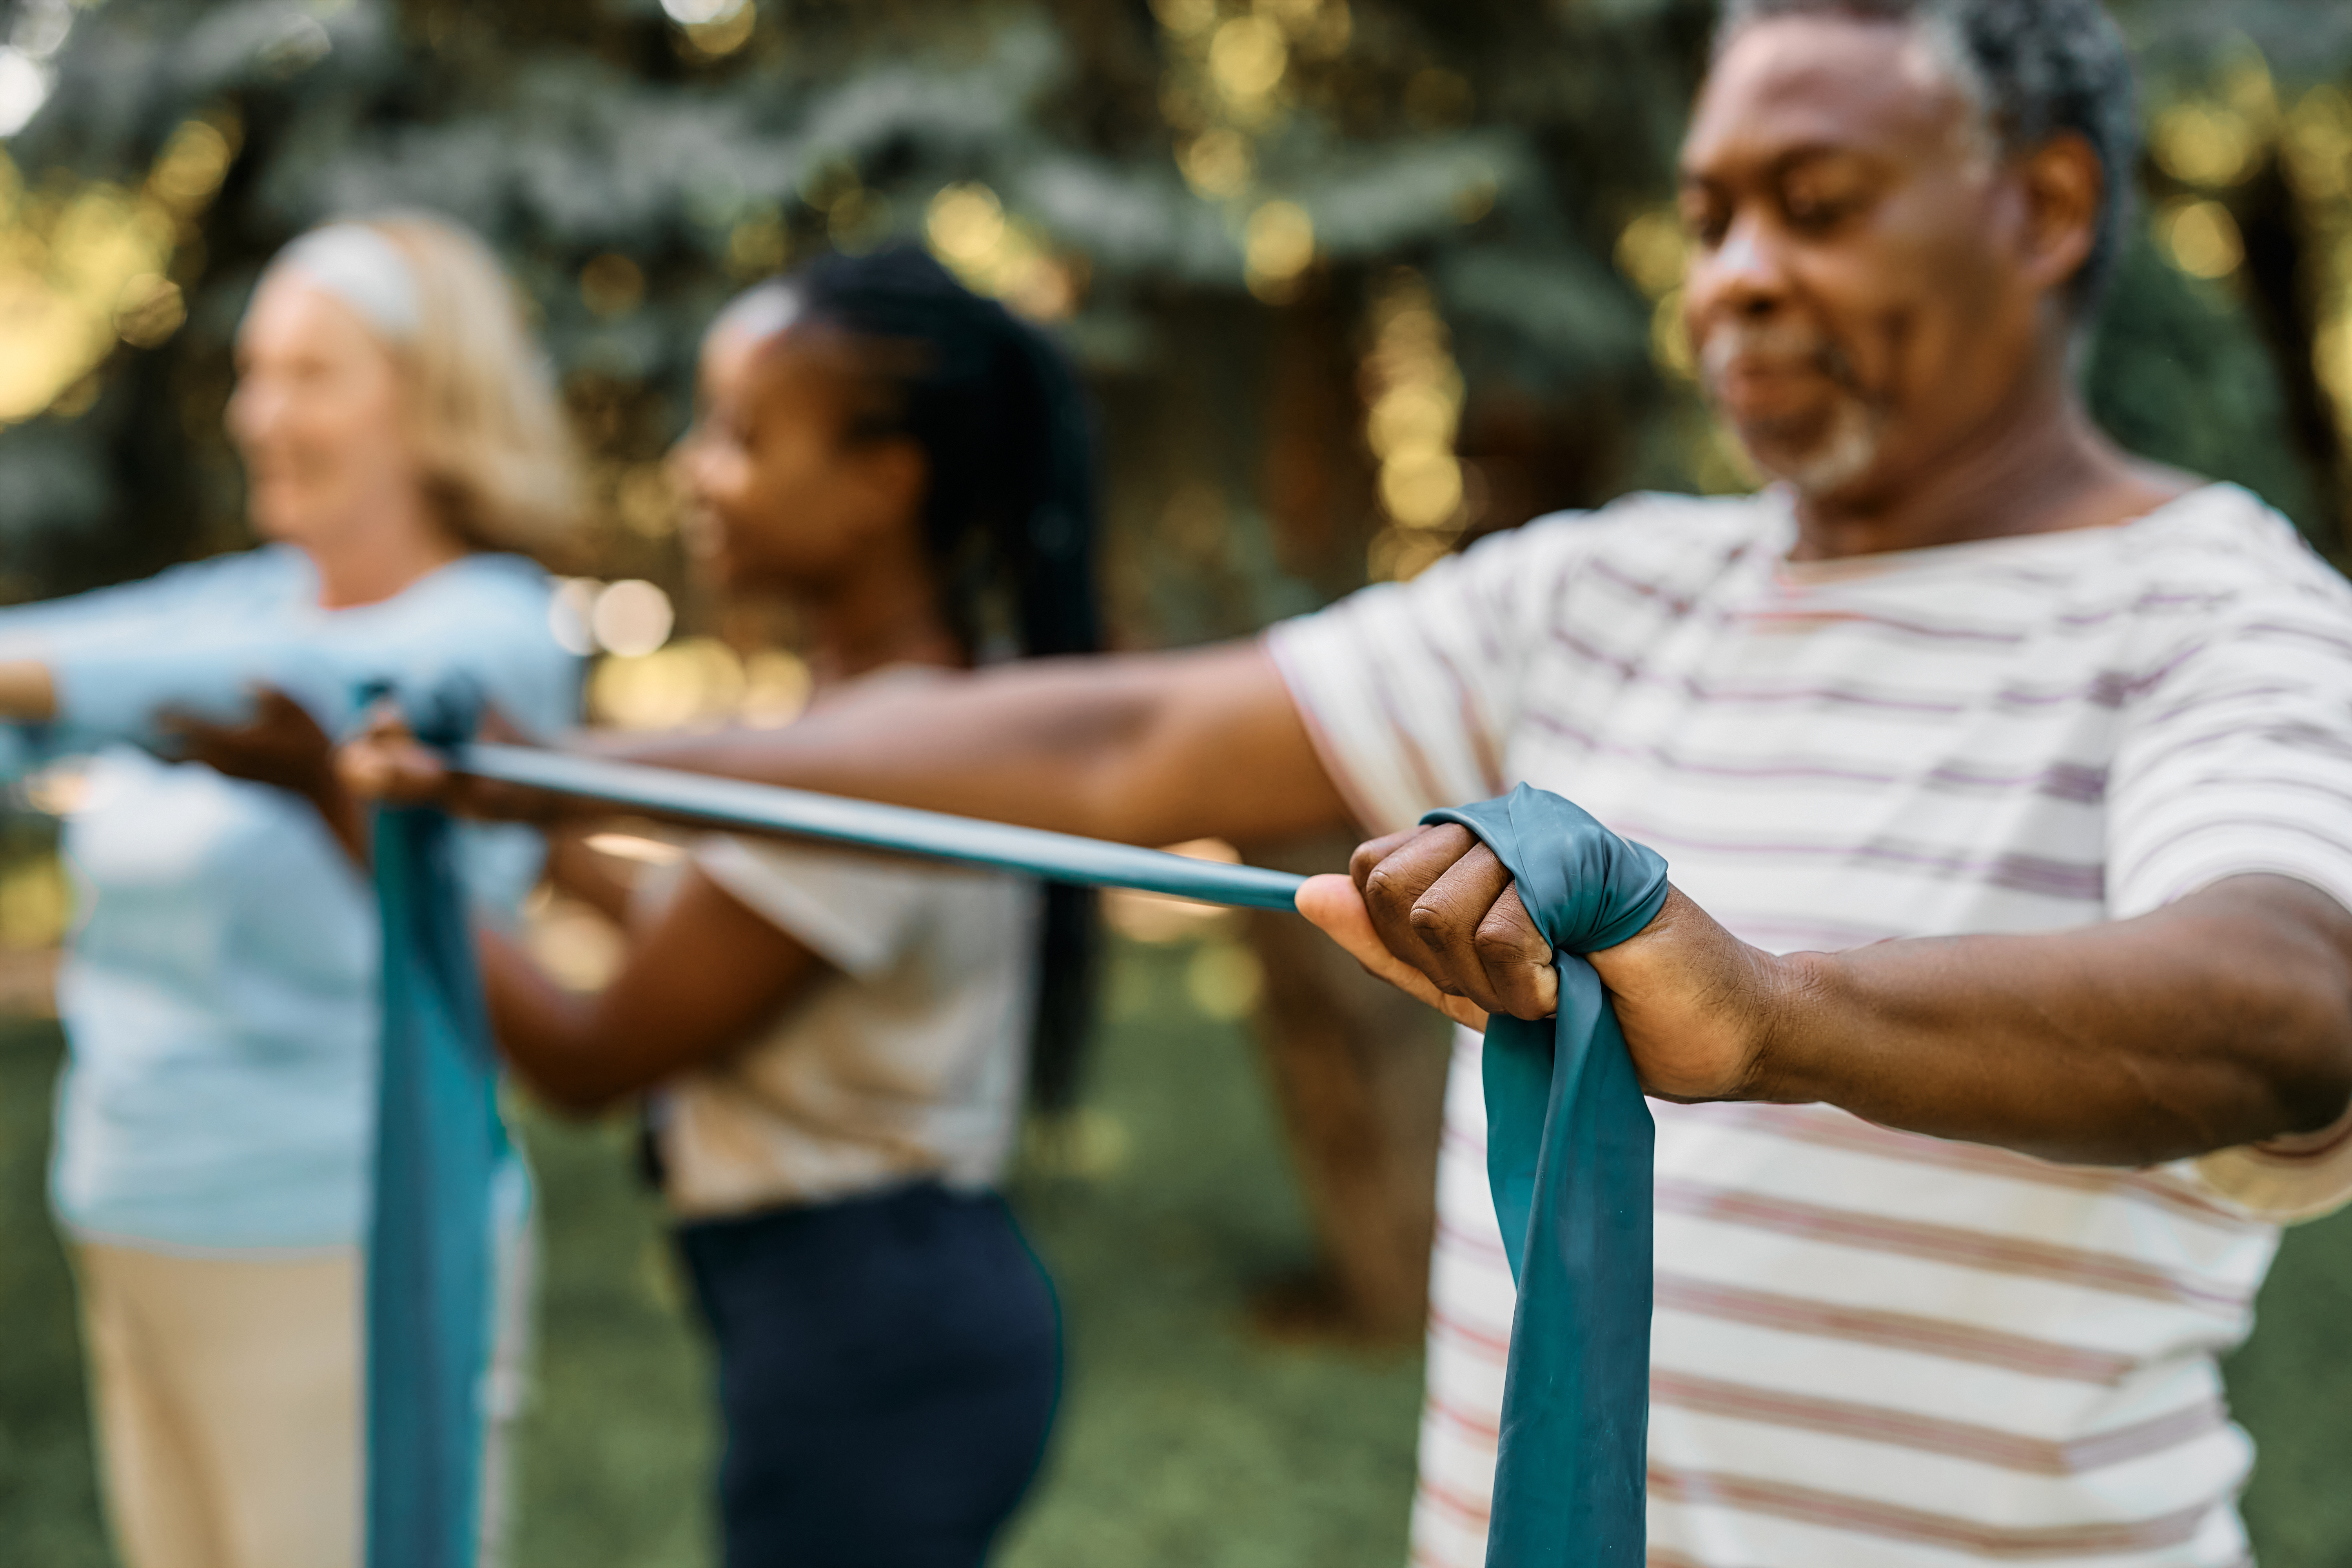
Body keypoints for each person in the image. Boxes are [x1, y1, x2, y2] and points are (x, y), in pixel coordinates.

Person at [348, 3, 2352, 1564]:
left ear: (2052, 207)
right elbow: (1120, 742)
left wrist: (1779, 1017)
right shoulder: (1602, 586)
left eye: (1815, 204)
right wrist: (556, 774)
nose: (1734, 275)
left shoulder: (2217, 613)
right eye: (1713, 211)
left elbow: (2288, 1001)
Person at [468, 248, 1085, 1567]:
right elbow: (710, 923)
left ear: (884, 482)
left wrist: (364, 836)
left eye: (741, 435)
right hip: (874, 1309)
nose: (693, 467)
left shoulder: (892, 755)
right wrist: (530, 826)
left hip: (875, 1334)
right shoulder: (878, 728)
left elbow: (592, 1056)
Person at [0, 214, 580, 1568]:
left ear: (431, 397)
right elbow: (42, 681)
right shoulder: (257, 596)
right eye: (255, 373)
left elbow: (177, 693)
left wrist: (60, 692)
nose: (260, 415)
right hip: (134, 1210)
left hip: (343, 1236)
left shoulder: (491, 628)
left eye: (313, 375)